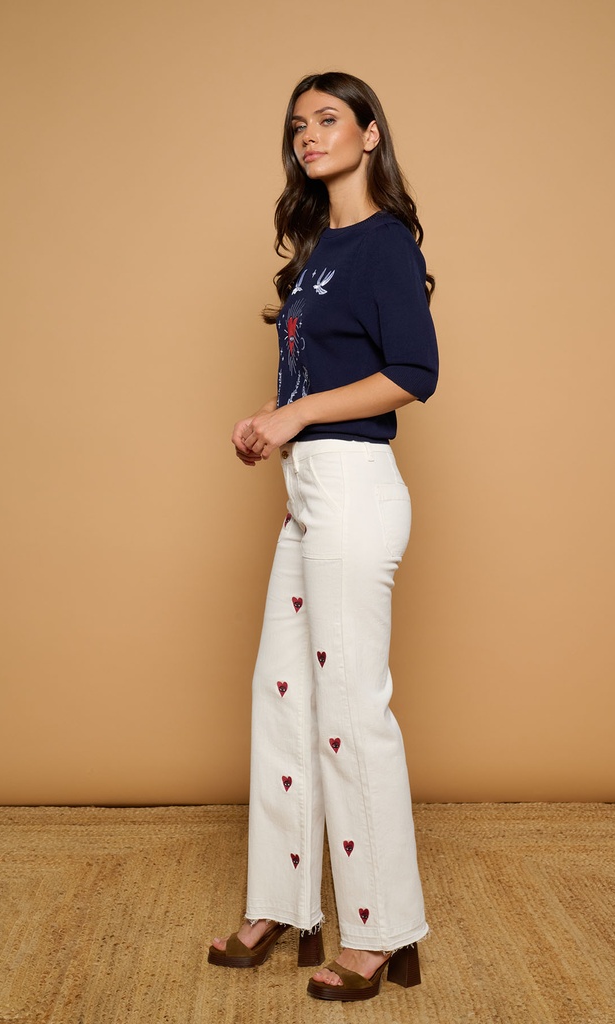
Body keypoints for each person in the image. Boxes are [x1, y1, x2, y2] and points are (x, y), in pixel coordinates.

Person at [208, 71, 439, 1003]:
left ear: (370, 133)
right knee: (281, 698)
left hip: (352, 492)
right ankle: (284, 903)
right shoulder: (316, 254)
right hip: (307, 495)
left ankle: (382, 931)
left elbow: (413, 373)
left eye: (329, 119)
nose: (309, 135)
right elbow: (316, 377)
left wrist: (296, 415)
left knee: (349, 710)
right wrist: (273, 426)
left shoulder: (383, 244)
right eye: (298, 124)